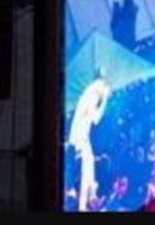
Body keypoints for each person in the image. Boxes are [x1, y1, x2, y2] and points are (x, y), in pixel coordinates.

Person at [68, 70, 112, 212]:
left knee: (89, 166)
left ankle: (88, 199)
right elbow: (96, 119)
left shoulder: (88, 92)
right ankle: (85, 202)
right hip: (80, 138)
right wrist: (105, 99)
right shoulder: (93, 94)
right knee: (86, 169)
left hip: (80, 137)